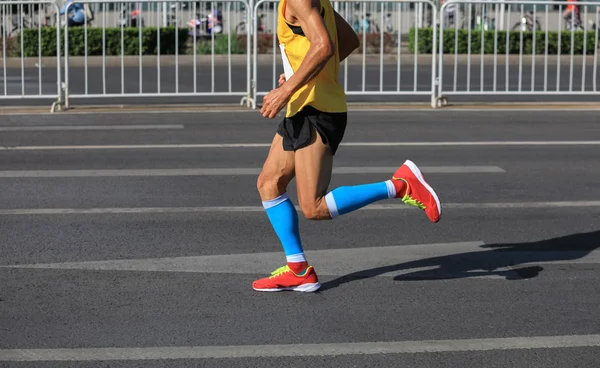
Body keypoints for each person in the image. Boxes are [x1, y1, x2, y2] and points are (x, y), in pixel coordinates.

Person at [254, 0, 442, 292]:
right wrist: (298, 74)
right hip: (303, 106)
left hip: (318, 110)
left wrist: (286, 89)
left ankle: (400, 185)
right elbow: (349, 41)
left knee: (314, 207)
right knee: (269, 183)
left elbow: (324, 46)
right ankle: (298, 269)